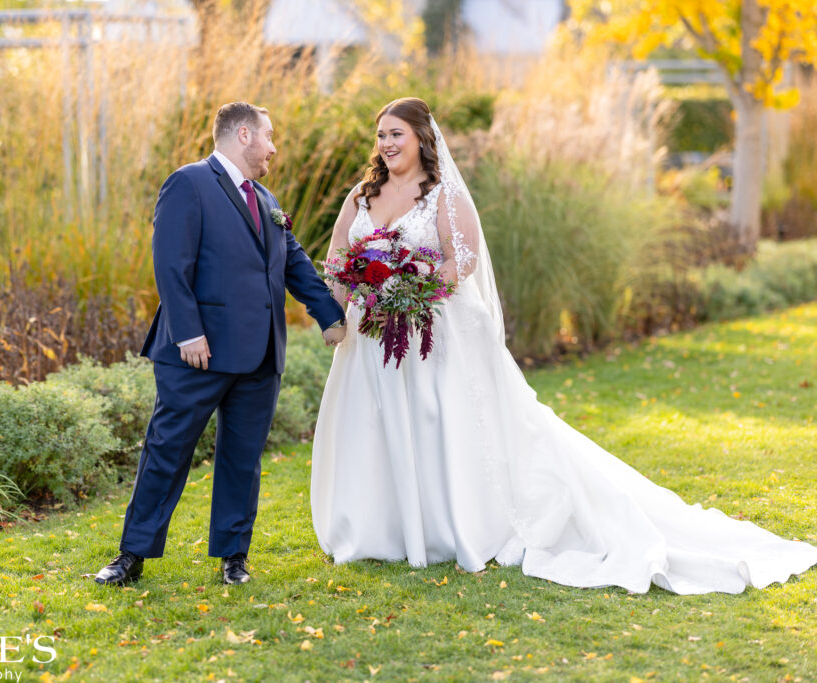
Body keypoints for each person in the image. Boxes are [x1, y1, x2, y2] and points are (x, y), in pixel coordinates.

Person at [310, 97, 817, 594]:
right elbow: (338, 257)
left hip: (431, 332)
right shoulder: (361, 194)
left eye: (396, 134)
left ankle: (445, 524)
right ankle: (382, 526)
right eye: (381, 135)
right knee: (375, 424)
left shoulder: (443, 194)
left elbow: (460, 262)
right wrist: (335, 316)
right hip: (372, 335)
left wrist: (410, 286)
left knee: (433, 422)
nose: (386, 143)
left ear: (422, 138)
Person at [95, 102, 346, 587]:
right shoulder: (188, 183)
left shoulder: (266, 198)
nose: (274, 147)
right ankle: (131, 555)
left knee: (242, 458)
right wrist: (189, 332)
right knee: (167, 449)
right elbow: (170, 262)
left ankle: (234, 555)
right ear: (245, 134)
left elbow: (293, 262)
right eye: (270, 137)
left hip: (260, 354)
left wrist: (330, 315)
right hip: (197, 352)